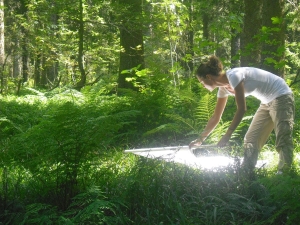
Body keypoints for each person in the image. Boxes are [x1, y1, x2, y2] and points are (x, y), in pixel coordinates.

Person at [189, 55, 295, 173]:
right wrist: (200, 139)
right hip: (266, 102)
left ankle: (284, 174)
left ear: (208, 77)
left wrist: (227, 135)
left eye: (202, 82)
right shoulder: (223, 89)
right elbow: (215, 117)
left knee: (283, 136)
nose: (202, 85)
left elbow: (242, 109)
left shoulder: (234, 76)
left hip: (281, 96)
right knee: (251, 139)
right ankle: (247, 172)